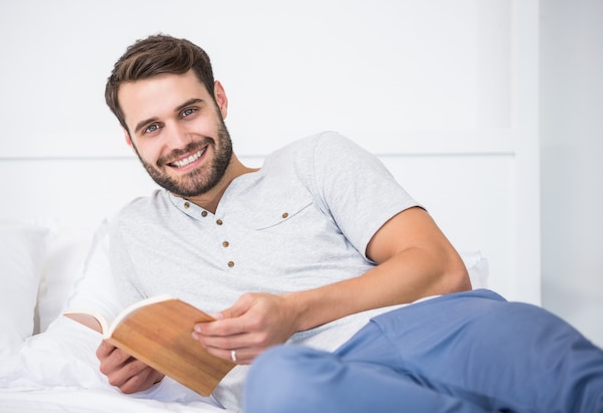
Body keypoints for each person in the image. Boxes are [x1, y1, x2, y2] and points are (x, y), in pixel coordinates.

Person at [97, 34, 603, 413]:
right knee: (282, 380)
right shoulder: (131, 234)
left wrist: (292, 313)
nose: (180, 139)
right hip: (305, 382)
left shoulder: (316, 158)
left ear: (220, 100)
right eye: (152, 127)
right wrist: (146, 370)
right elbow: (154, 346)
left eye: (190, 111)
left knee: (567, 377)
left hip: (429, 329)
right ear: (130, 140)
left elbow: (445, 270)